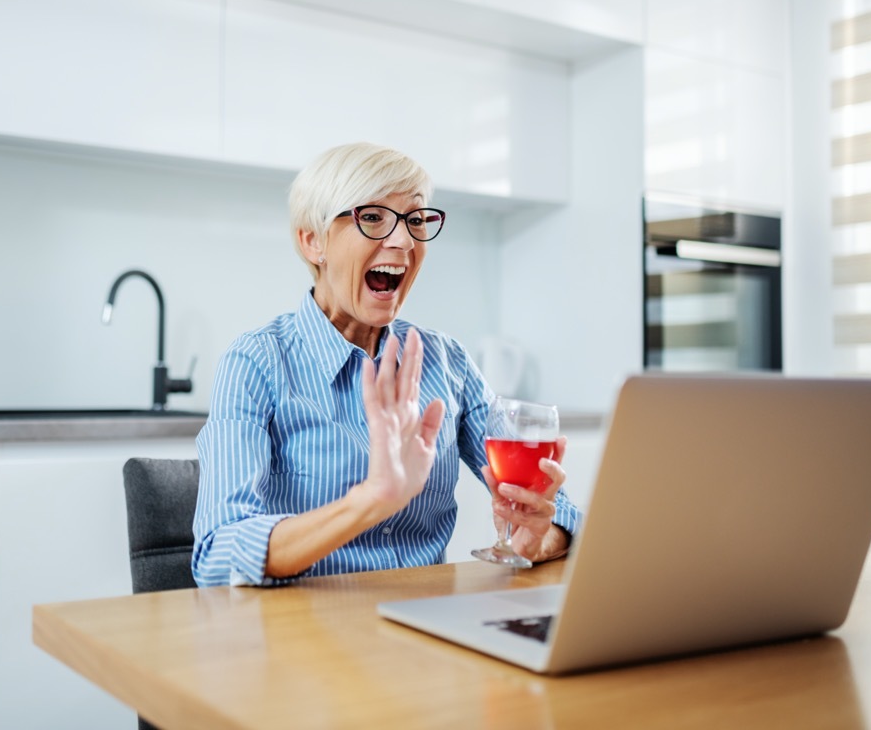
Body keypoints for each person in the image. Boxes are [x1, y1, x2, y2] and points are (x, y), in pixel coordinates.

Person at [192, 142, 582, 587]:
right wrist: (369, 501)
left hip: (426, 629)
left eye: (415, 220)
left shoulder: (447, 362)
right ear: (312, 240)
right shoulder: (257, 363)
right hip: (305, 635)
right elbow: (217, 553)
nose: (402, 240)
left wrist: (539, 540)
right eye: (372, 217)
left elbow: (562, 515)